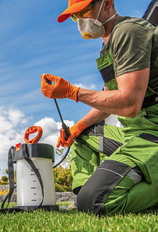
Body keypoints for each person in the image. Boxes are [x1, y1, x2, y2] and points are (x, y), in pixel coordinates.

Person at [41, 0, 158, 215]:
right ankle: (82, 197)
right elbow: (109, 100)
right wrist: (78, 126)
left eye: (85, 11)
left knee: (96, 202)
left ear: (107, 3)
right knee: (83, 136)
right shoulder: (108, 46)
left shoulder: (128, 32)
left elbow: (130, 104)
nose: (82, 21)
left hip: (153, 134)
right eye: (76, 17)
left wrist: (72, 92)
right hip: (135, 134)